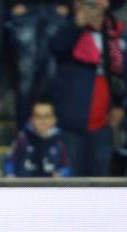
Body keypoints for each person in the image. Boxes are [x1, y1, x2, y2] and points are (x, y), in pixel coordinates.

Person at [50, 0, 126, 176]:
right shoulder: (68, 28)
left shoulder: (117, 33)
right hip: (71, 122)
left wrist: (122, 106)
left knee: (100, 179)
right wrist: (76, 25)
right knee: (71, 180)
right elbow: (55, 48)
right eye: (86, 3)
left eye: (96, 3)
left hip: (104, 123)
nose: (91, 7)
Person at [9, 1, 70, 127]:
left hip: (55, 9)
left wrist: (67, 4)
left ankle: (49, 128)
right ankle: (24, 130)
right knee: (25, 77)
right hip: (26, 9)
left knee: (52, 74)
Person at [3, 99, 71, 177]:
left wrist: (61, 174)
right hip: (25, 186)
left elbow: (66, 167)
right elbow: (10, 161)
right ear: (31, 119)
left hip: (49, 187)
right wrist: (10, 176)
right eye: (38, 116)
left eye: (46, 116)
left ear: (54, 120)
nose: (42, 120)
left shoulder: (59, 143)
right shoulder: (22, 140)